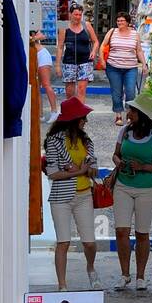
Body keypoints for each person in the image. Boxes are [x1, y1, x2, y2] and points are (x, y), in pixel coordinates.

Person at [112, 90, 152, 292]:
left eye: (133, 111)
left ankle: (141, 276)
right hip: (123, 186)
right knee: (121, 231)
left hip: (147, 189)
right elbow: (115, 155)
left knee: (142, 233)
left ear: (142, 115)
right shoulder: (125, 132)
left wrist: (142, 167)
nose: (129, 114)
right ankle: (124, 274)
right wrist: (119, 162)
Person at [43, 97, 101, 290]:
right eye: (83, 118)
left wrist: (84, 169)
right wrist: (79, 171)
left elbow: (93, 168)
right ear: (74, 120)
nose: (86, 121)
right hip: (61, 197)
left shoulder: (87, 141)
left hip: (84, 195)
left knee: (90, 242)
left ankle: (91, 268)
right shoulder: (53, 141)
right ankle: (62, 284)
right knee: (63, 242)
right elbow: (52, 173)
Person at [101, 11, 146, 125]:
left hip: (131, 67)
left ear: (127, 22)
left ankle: (130, 114)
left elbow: (139, 50)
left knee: (131, 91)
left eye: (122, 21)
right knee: (117, 92)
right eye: (118, 21)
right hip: (113, 66)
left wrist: (144, 63)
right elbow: (103, 46)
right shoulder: (112, 32)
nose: (119, 23)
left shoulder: (135, 34)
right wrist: (102, 60)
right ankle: (118, 115)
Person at [57, 2, 99, 101]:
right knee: (70, 91)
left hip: (85, 61)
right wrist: (58, 65)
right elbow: (60, 47)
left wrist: (93, 51)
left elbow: (95, 41)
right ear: (70, 14)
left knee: (81, 89)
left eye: (80, 15)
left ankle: (81, 115)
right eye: (76, 14)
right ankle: (71, 113)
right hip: (69, 62)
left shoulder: (86, 25)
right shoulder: (64, 28)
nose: (78, 17)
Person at [30, 30, 58, 114]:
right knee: (37, 87)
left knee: (46, 85)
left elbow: (42, 36)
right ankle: (40, 113)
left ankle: (54, 111)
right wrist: (34, 38)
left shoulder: (33, 28)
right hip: (34, 56)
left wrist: (33, 38)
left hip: (42, 55)